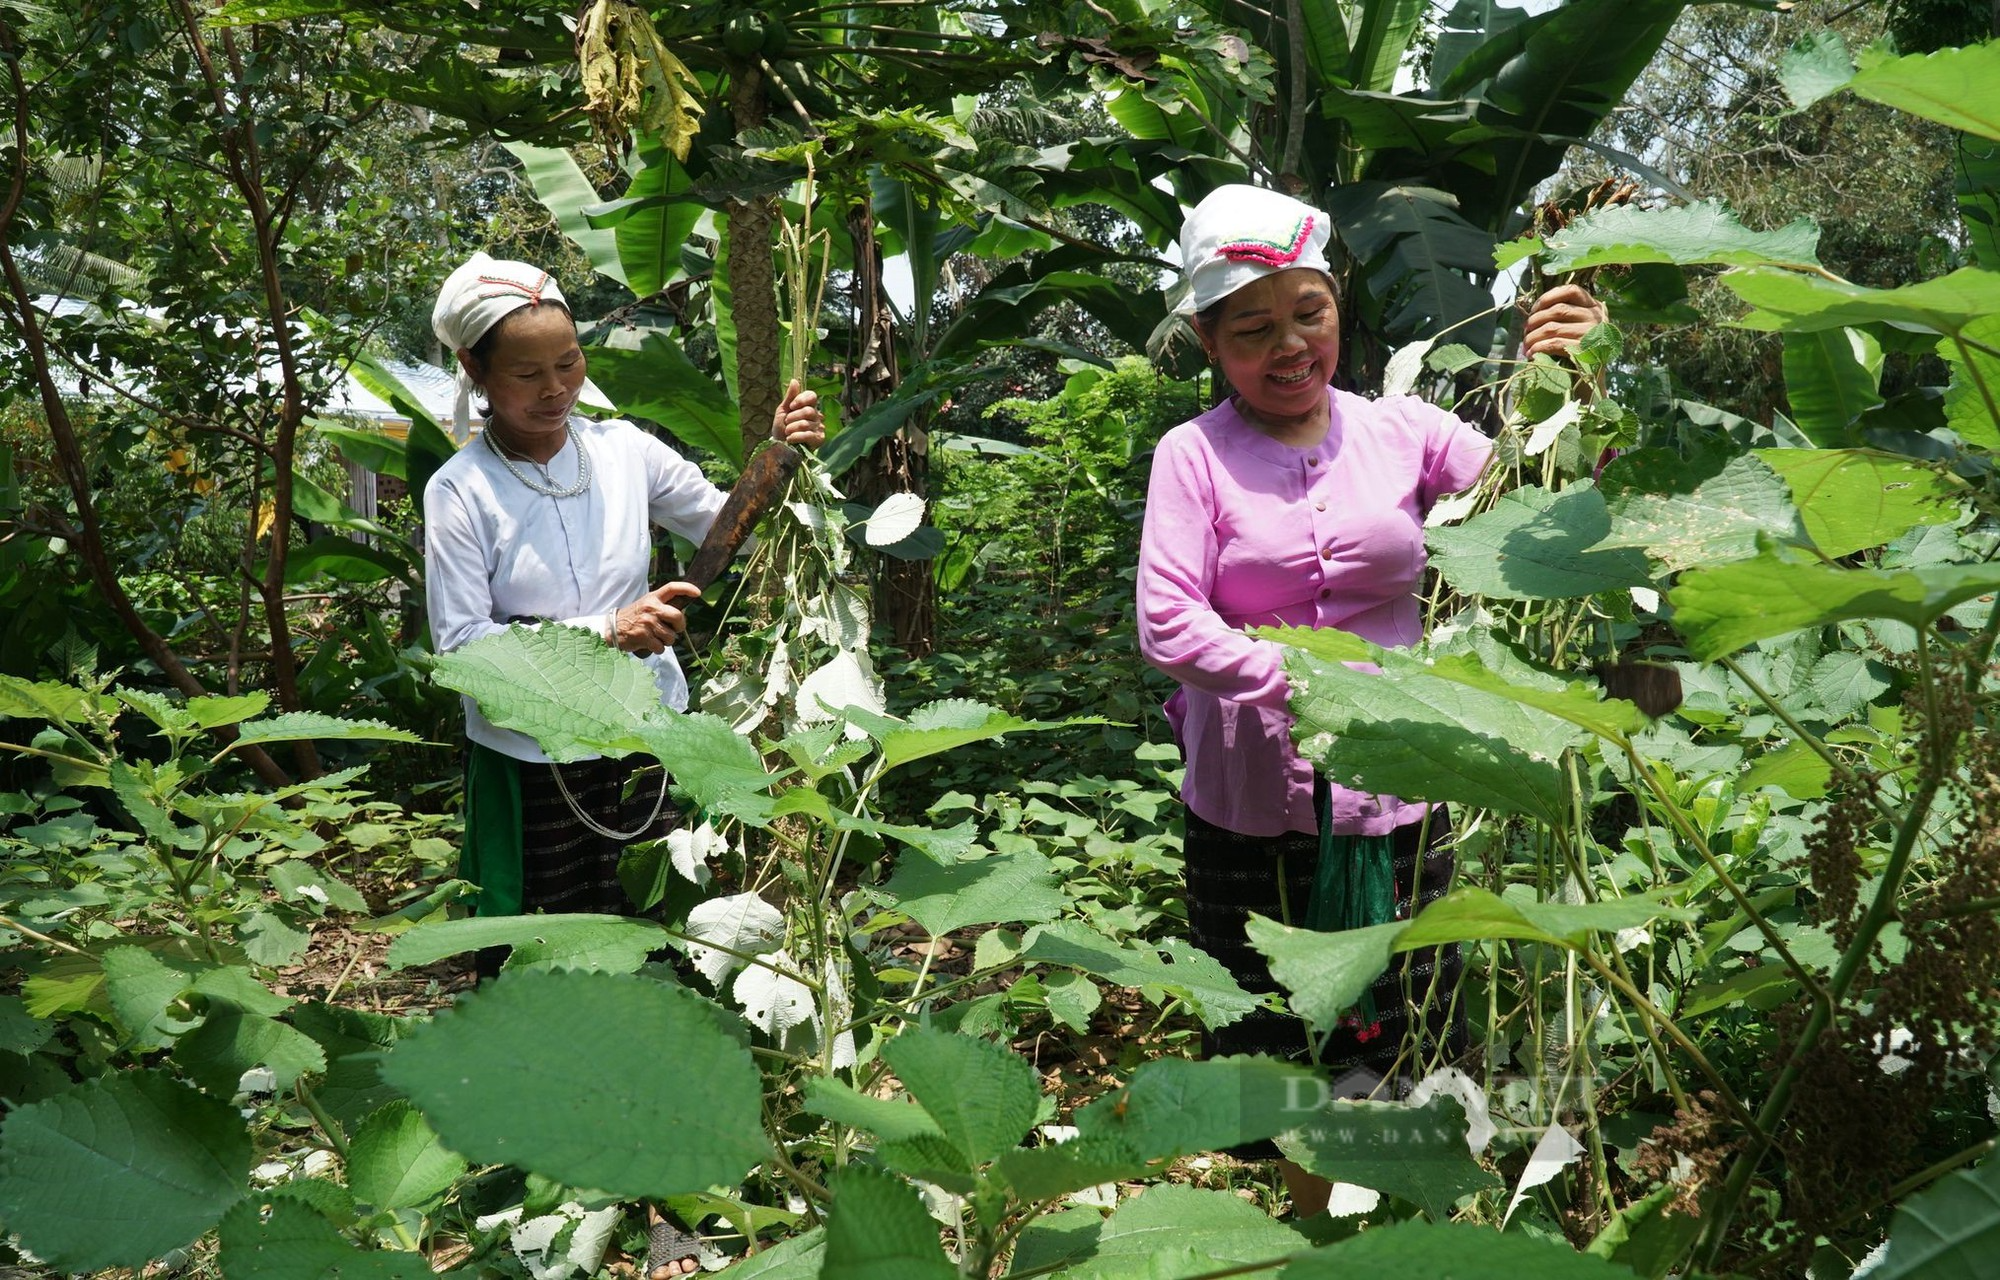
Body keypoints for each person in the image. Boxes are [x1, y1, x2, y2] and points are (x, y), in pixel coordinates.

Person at [1134, 185, 1605, 1215]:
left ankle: (1422, 1222)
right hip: (1251, 802)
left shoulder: (1403, 430)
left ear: (1336, 301)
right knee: (1283, 1039)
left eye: (1307, 311)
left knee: (1413, 1020)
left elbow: (1533, 512)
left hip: (1397, 791)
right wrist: (1307, 684)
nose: (1289, 344)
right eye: (1251, 328)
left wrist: (1570, 380)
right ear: (1210, 343)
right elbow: (1167, 623)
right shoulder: (1193, 457)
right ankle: (1313, 1227)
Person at [424, 254, 822, 1275]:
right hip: (531, 758)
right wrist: (604, 632)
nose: (552, 389)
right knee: (544, 951)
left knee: (650, 940)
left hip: (643, 743)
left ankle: (661, 1173)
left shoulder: (623, 452)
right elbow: (462, 648)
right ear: (476, 373)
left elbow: (721, 527)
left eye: (567, 365)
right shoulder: (459, 492)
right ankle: (538, 1161)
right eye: (527, 375)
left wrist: (774, 459)